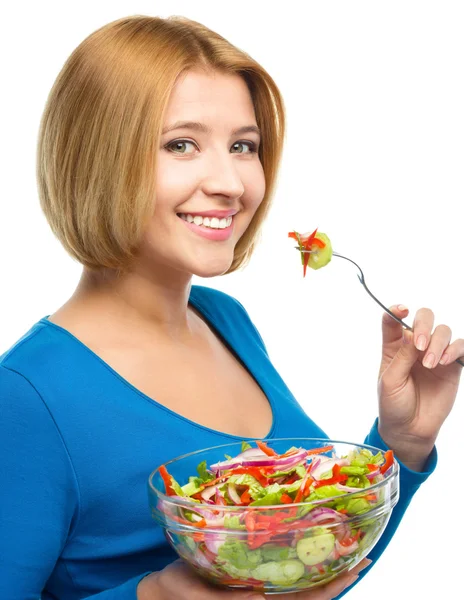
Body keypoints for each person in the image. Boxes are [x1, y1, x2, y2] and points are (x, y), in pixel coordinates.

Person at [0, 14, 462, 600]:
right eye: (182, 144)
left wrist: (403, 443)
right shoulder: (25, 397)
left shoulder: (226, 321)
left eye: (243, 146)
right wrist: (154, 597)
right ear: (95, 156)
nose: (232, 182)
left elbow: (312, 569)